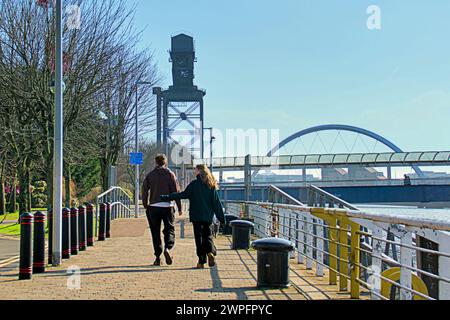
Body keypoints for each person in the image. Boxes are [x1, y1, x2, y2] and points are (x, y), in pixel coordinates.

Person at [161, 164, 225, 269]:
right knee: (207, 236)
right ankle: (210, 252)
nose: (194, 171)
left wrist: (167, 197)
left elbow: (182, 195)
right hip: (208, 217)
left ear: (199, 171)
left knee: (198, 239)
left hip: (196, 216)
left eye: (195, 170)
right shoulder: (211, 185)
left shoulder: (194, 185)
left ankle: (201, 261)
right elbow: (217, 204)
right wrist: (222, 219)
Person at [142, 154, 183, 266]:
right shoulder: (170, 175)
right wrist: (179, 207)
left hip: (153, 207)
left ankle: (157, 257)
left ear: (156, 163)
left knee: (155, 232)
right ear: (165, 163)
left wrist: (145, 205)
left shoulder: (150, 175)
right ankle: (168, 248)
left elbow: (144, 191)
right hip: (168, 207)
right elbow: (176, 191)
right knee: (169, 229)